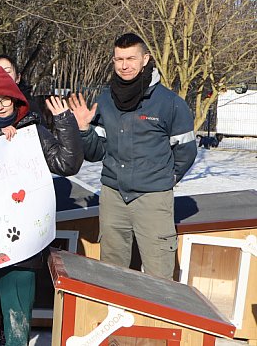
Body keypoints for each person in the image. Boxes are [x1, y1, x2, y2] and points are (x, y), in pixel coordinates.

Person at [0, 64, 83, 346]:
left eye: (4, 100)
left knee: (17, 311)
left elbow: (67, 163)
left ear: (15, 100)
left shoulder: (32, 132)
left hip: (23, 241)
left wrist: (64, 122)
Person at [67, 33, 197, 279]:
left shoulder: (170, 103)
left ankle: (157, 317)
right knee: (112, 271)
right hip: (113, 196)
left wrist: (166, 179)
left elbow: (186, 151)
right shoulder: (105, 100)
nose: (124, 65)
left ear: (145, 59)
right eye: (118, 59)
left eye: (130, 58)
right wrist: (84, 130)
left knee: (159, 273)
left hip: (153, 199)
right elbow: (96, 153)